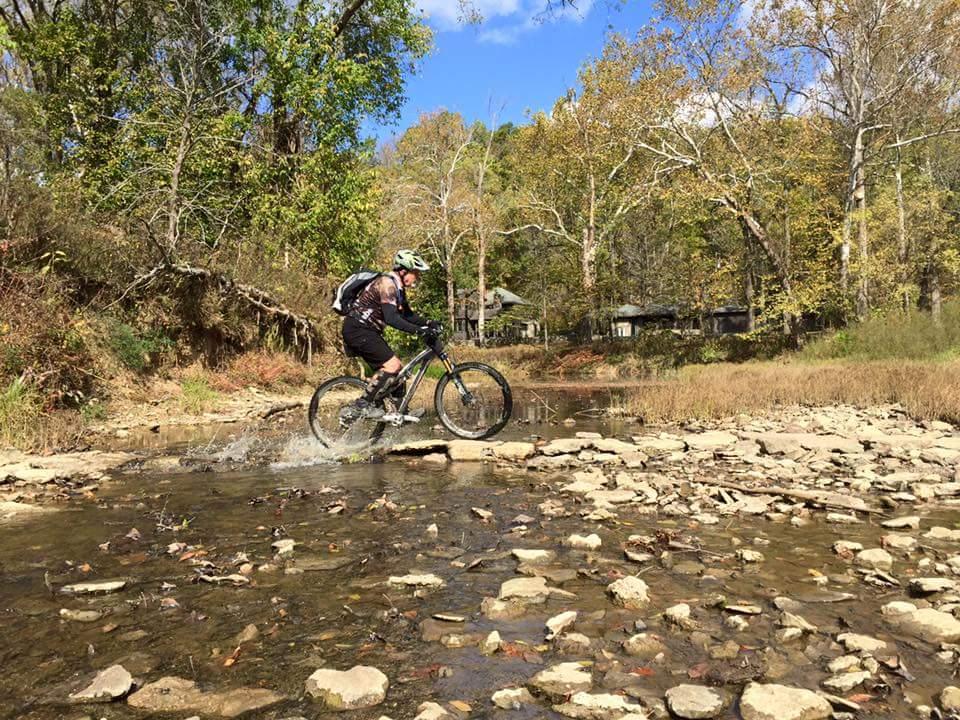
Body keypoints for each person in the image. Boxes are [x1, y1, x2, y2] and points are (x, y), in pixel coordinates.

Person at [340, 249, 439, 421]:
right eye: (416, 273)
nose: (418, 277)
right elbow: (392, 318)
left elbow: (408, 315)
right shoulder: (387, 284)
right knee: (391, 366)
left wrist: (429, 323)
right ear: (404, 270)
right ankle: (362, 405)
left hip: (367, 331)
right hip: (358, 329)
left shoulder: (398, 287)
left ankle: (399, 410)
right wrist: (419, 331)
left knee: (398, 369)